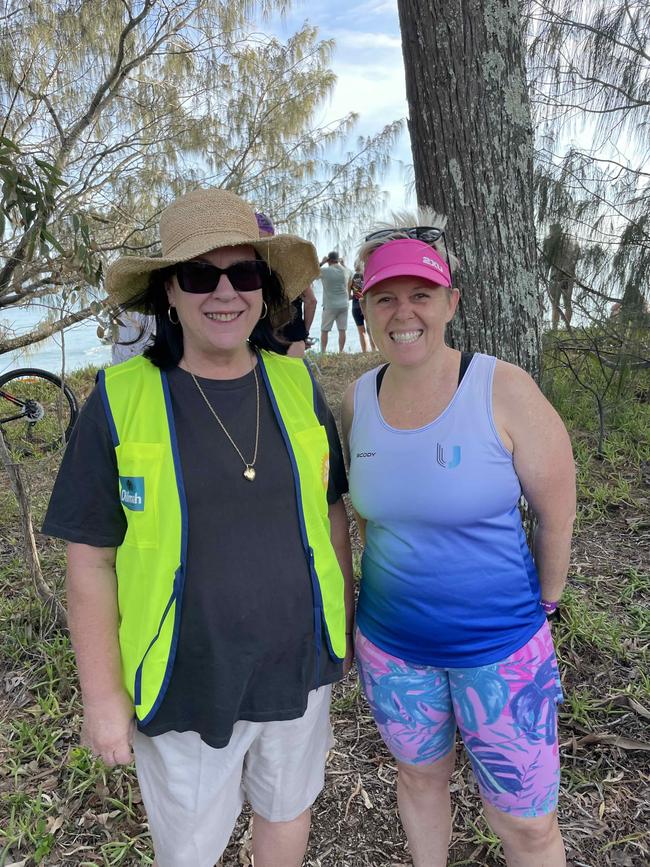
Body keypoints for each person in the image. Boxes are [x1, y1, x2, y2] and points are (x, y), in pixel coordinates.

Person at [42, 188, 355, 867]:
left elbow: (332, 513)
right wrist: (102, 697)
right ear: (168, 294)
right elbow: (91, 560)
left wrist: (344, 629)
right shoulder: (117, 403)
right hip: (185, 680)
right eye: (198, 274)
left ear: (263, 289)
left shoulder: (299, 386)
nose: (224, 292)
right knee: (189, 851)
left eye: (243, 273)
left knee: (287, 810)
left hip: (298, 669)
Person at [341, 213, 575, 867]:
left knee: (526, 825)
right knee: (419, 779)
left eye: (421, 293)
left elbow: (556, 512)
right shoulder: (357, 399)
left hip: (501, 653)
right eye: (385, 296)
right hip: (395, 653)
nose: (403, 311)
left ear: (452, 301)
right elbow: (372, 517)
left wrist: (546, 603)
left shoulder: (503, 389)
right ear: (364, 305)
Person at [256, 212, 317, 357]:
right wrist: (304, 332)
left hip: (259, 337)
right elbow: (311, 301)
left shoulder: (247, 266)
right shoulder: (291, 265)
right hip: (293, 335)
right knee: (294, 378)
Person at [317, 251, 350, 353]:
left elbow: (312, 271)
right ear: (338, 259)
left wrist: (322, 262)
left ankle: (323, 352)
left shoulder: (325, 271)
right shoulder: (345, 271)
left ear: (329, 260)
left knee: (324, 330)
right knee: (342, 330)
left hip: (330, 305)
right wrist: (343, 263)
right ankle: (341, 351)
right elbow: (351, 273)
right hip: (344, 304)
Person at [348, 265, 376, 353]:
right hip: (366, 306)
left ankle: (365, 351)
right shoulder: (368, 275)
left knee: (361, 332)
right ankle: (374, 350)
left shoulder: (354, 277)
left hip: (356, 307)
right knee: (370, 329)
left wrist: (353, 296)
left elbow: (352, 295)